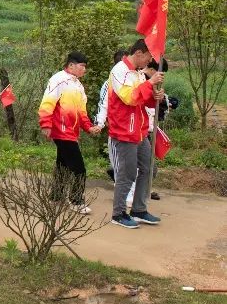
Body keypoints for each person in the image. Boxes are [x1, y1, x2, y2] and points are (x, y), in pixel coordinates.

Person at [107, 39, 165, 229]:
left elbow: (142, 100)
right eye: (148, 57)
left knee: (148, 169)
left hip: (139, 130)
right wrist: (150, 84)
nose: (149, 62)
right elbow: (129, 97)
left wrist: (154, 97)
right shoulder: (119, 71)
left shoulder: (139, 74)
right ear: (139, 53)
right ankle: (118, 213)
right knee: (127, 173)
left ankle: (139, 209)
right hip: (124, 131)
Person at [39, 51, 100, 212]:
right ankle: (76, 200)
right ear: (71, 65)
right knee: (79, 168)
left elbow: (82, 112)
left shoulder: (78, 85)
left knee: (63, 165)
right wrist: (46, 124)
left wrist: (88, 127)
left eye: (85, 66)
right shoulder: (58, 79)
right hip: (61, 131)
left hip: (71, 132)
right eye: (82, 66)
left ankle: (56, 196)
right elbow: (47, 103)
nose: (84, 69)